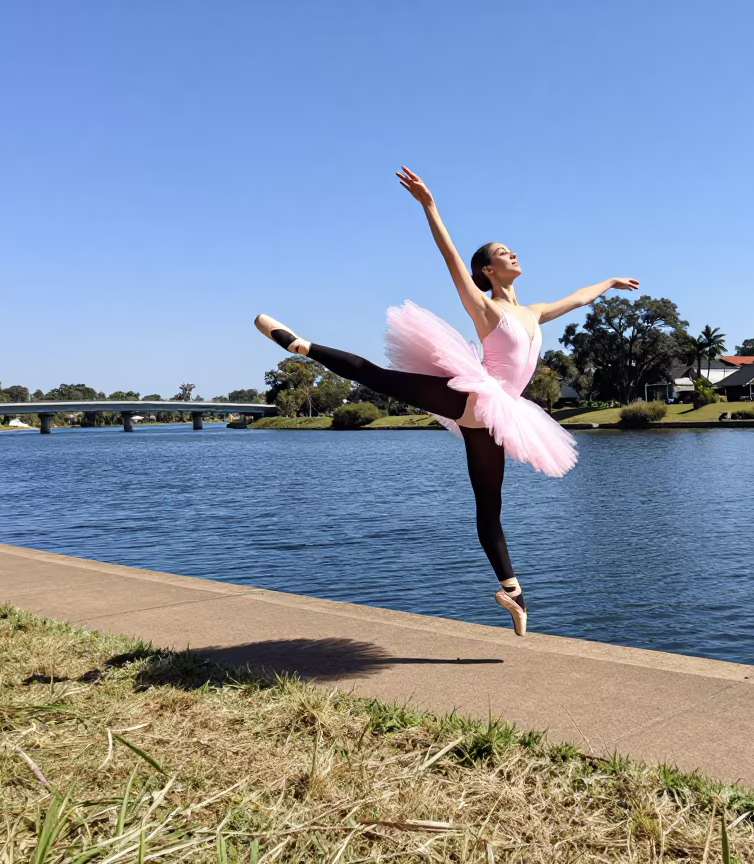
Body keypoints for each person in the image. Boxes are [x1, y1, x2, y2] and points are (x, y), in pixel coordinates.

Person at [255, 167, 638, 635]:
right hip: (477, 395)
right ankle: (301, 346)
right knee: (380, 377)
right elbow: (449, 255)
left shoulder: (533, 312)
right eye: (502, 253)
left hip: (498, 415)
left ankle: (511, 591)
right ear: (487, 271)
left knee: (489, 508)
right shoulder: (486, 307)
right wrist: (429, 205)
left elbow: (578, 299)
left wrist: (608, 281)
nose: (513, 253)